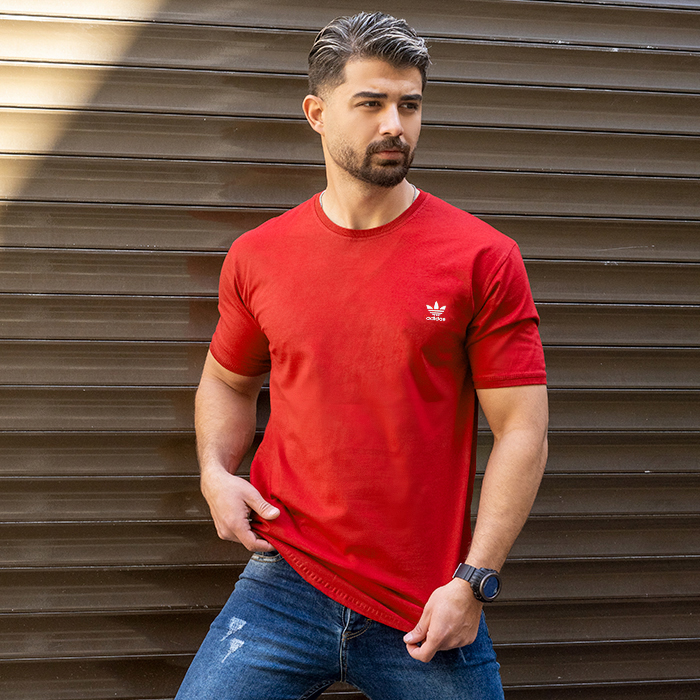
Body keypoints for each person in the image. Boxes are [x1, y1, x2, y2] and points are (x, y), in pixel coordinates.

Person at [175, 11, 548, 700]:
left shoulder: (482, 257)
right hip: (285, 580)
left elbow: (523, 428)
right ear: (317, 113)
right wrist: (215, 475)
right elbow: (228, 381)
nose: (395, 125)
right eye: (371, 104)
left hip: (425, 601)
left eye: (410, 105)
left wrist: (474, 581)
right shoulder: (259, 256)